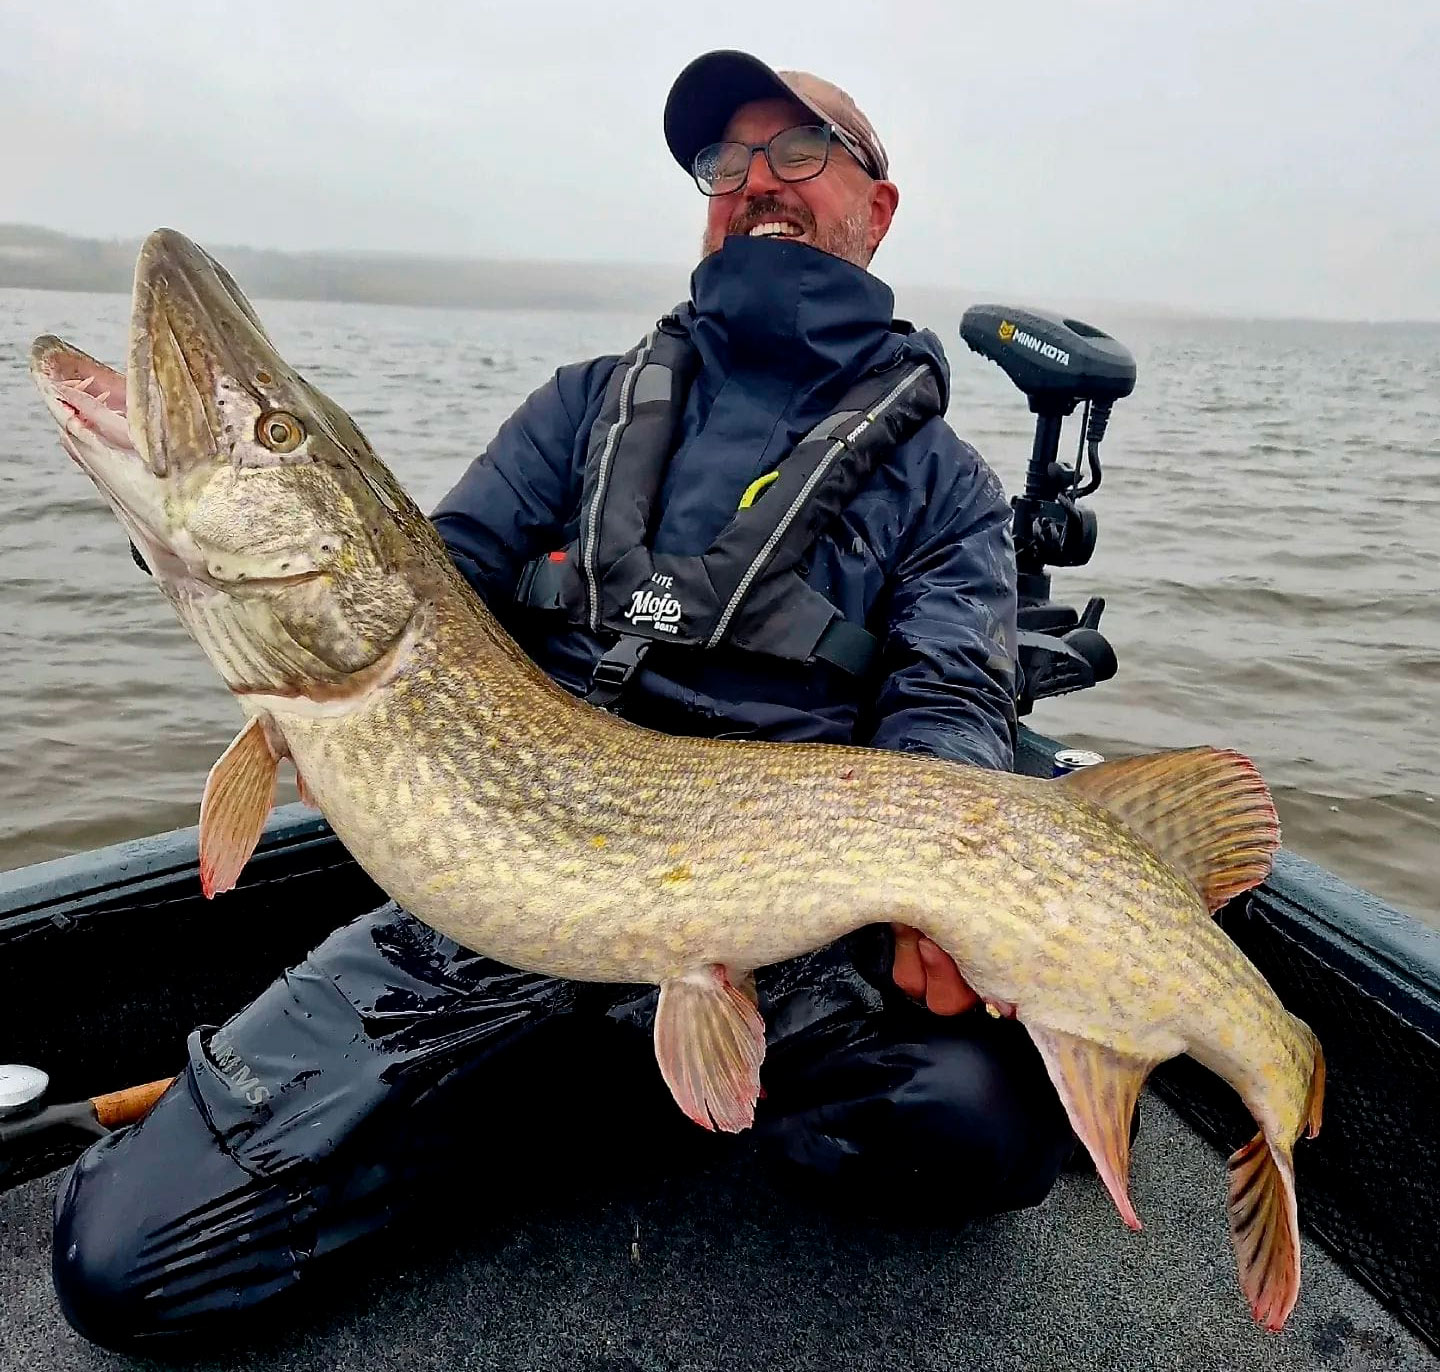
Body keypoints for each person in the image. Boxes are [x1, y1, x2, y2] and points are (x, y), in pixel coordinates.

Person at [50, 50, 1073, 1349]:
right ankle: (587, 1082)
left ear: (878, 206)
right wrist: (195, 536)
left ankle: (616, 1078)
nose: (756, 181)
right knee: (124, 1263)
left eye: (800, 151)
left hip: (788, 922)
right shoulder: (582, 409)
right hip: (500, 910)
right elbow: (418, 580)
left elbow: (948, 704)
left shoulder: (946, 485)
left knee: (983, 1127)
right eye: (724, 163)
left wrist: (955, 880)